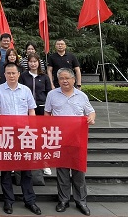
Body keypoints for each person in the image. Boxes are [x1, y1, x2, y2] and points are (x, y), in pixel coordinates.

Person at [0, 63, 41, 215]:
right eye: (8, 73)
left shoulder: (25, 90)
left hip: (24, 135)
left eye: (14, 73)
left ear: (19, 74)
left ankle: (30, 200)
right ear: (4, 74)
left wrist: (32, 130)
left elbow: (31, 111)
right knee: (6, 170)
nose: (11, 75)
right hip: (6, 134)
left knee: (26, 170)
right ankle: (8, 201)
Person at [45, 68, 95, 216]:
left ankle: (81, 201)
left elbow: (90, 111)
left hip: (78, 139)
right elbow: (47, 113)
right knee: (62, 171)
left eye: (67, 78)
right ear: (57, 80)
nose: (64, 81)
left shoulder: (82, 96)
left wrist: (91, 117)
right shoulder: (52, 95)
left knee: (79, 171)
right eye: (61, 78)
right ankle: (63, 200)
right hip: (60, 138)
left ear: (74, 79)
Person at [20, 53, 53, 175]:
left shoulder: (44, 77)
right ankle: (24, 161)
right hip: (26, 110)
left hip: (41, 108)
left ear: (39, 63)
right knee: (26, 136)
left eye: (35, 61)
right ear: (27, 63)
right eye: (31, 61)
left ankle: (45, 163)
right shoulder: (23, 76)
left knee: (41, 137)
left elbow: (49, 93)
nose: (33, 63)